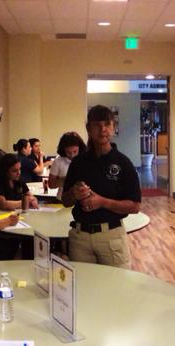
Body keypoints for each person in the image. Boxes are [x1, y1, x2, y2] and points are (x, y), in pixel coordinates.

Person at [62, 105, 142, 269]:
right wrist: (74, 193)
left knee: (117, 283)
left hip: (111, 236)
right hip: (80, 238)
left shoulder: (123, 163)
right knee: (83, 284)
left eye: (107, 124)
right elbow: (65, 201)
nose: (102, 129)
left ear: (113, 127)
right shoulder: (78, 163)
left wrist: (102, 202)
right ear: (88, 128)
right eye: (97, 125)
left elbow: (135, 206)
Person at [47, 131, 86, 198]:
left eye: (75, 151)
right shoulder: (58, 161)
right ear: (63, 150)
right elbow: (51, 184)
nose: (72, 155)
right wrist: (67, 179)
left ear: (80, 148)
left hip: (83, 199)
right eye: (68, 152)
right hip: (62, 199)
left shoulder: (85, 159)